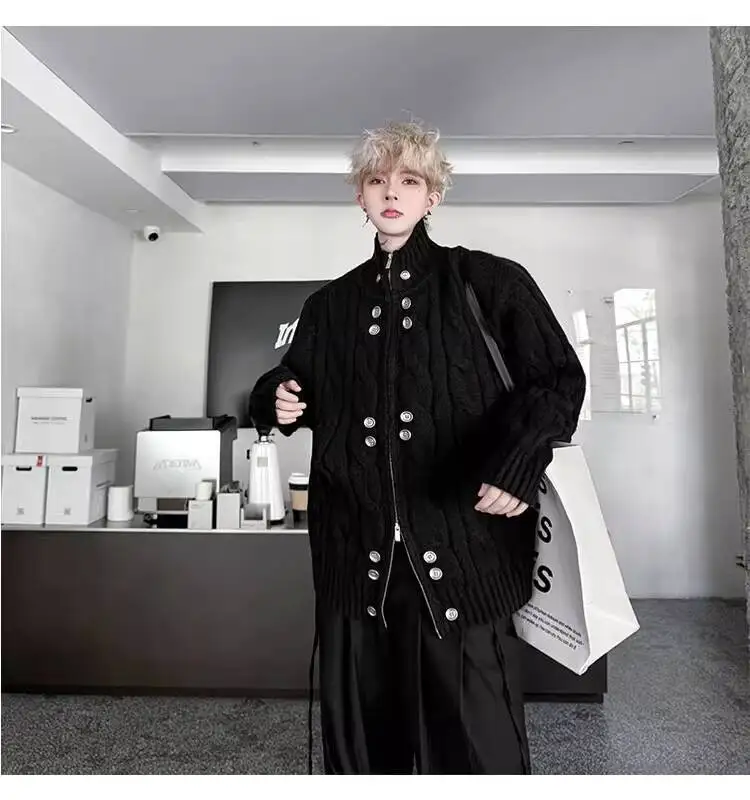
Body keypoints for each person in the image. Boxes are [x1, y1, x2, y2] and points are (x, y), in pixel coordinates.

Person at [249, 120, 586, 775]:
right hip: (354, 565)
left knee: (478, 753)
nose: (391, 192)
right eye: (378, 180)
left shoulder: (487, 281)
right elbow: (293, 383)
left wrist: (517, 464)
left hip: (465, 557)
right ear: (361, 197)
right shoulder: (328, 307)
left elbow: (557, 380)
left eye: (409, 180)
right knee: (363, 756)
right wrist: (275, 396)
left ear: (433, 195)